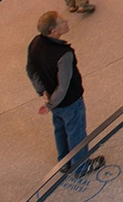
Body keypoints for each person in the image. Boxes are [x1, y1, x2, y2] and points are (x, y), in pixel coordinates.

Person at [26, 11, 104, 176]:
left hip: (55, 102)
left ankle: (65, 162)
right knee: (76, 132)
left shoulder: (35, 43)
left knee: (60, 129)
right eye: (62, 22)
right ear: (53, 31)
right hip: (70, 102)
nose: (66, 21)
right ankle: (81, 166)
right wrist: (50, 103)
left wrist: (43, 93)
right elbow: (64, 85)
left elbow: (31, 70)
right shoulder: (64, 54)